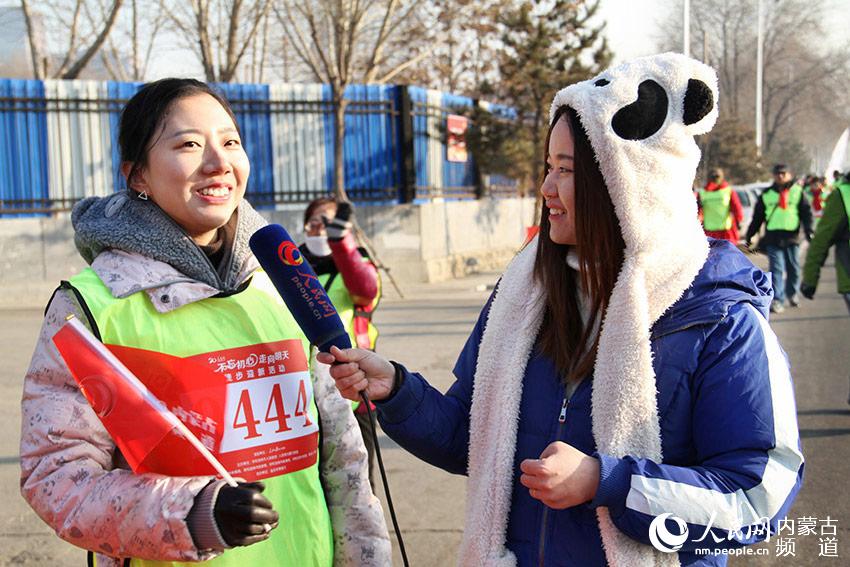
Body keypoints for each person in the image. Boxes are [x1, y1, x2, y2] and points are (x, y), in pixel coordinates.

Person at [319, 54, 803, 566]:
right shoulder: (525, 294)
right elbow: (475, 438)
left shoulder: (719, 319)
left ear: (629, 183)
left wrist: (610, 482)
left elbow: (756, 497)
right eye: (548, 167)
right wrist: (397, 390)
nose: (547, 188)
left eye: (566, 171)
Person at [19, 78, 390, 567]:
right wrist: (192, 514)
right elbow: (57, 477)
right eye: (189, 144)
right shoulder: (92, 307)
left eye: (230, 141)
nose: (218, 163)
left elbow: (342, 464)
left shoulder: (284, 283)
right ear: (138, 177)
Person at [299, 197, 381, 487]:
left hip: (351, 384)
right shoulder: (291, 266)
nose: (320, 230)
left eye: (330, 224)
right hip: (304, 388)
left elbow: (365, 290)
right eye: (315, 222)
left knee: (355, 482)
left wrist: (340, 244)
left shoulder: (358, 263)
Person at [744, 163, 814, 313]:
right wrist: (750, 235)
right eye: (778, 174)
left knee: (793, 268)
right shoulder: (767, 194)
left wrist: (809, 230)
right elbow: (758, 217)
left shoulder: (797, 192)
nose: (780, 176)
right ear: (774, 176)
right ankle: (777, 300)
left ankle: (793, 293)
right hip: (773, 237)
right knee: (776, 269)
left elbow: (806, 213)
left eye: (784, 173)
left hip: (792, 237)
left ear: (789, 174)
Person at [802, 171, 850, 315]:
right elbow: (822, 239)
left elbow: (822, 240)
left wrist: (810, 280)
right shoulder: (842, 194)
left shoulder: (842, 194)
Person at [697, 167, 744, 243]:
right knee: (727, 254)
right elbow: (737, 209)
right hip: (726, 232)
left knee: (712, 254)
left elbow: (697, 212)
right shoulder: (728, 191)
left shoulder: (702, 193)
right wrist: (739, 222)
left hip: (710, 233)